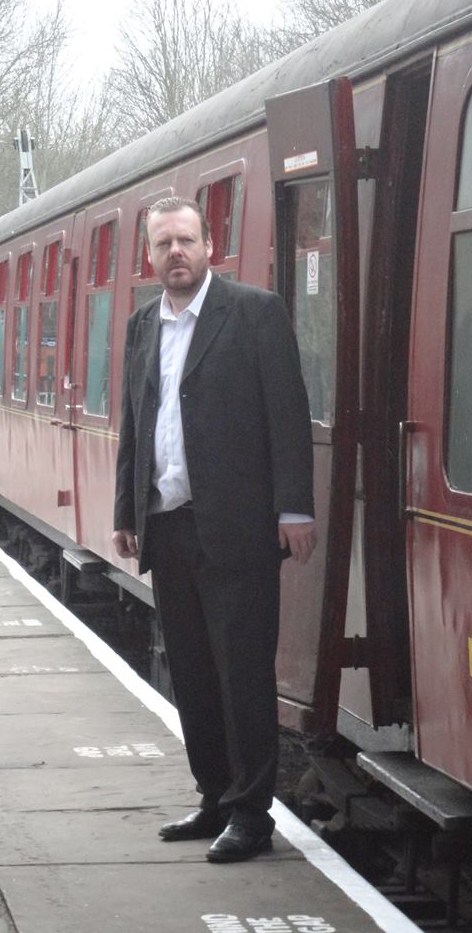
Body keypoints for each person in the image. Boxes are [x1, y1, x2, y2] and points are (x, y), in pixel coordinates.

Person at [112, 196, 316, 863]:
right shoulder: (143, 326)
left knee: (242, 674)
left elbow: (287, 414)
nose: (176, 252)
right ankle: (212, 798)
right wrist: (125, 513)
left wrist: (294, 509)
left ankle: (252, 815)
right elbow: (135, 427)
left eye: (187, 240)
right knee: (193, 673)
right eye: (164, 243)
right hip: (166, 526)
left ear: (209, 246)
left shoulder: (254, 313)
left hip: (237, 528)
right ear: (149, 255)